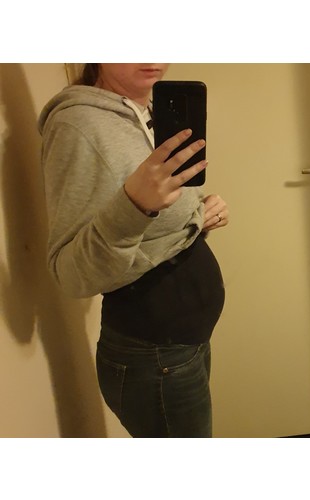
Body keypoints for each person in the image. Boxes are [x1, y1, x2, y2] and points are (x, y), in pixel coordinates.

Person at [38, 63, 228, 437]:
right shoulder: (77, 125)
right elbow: (70, 275)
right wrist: (135, 204)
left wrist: (198, 215)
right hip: (153, 357)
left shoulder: (153, 111)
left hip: (183, 345)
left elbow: (158, 218)